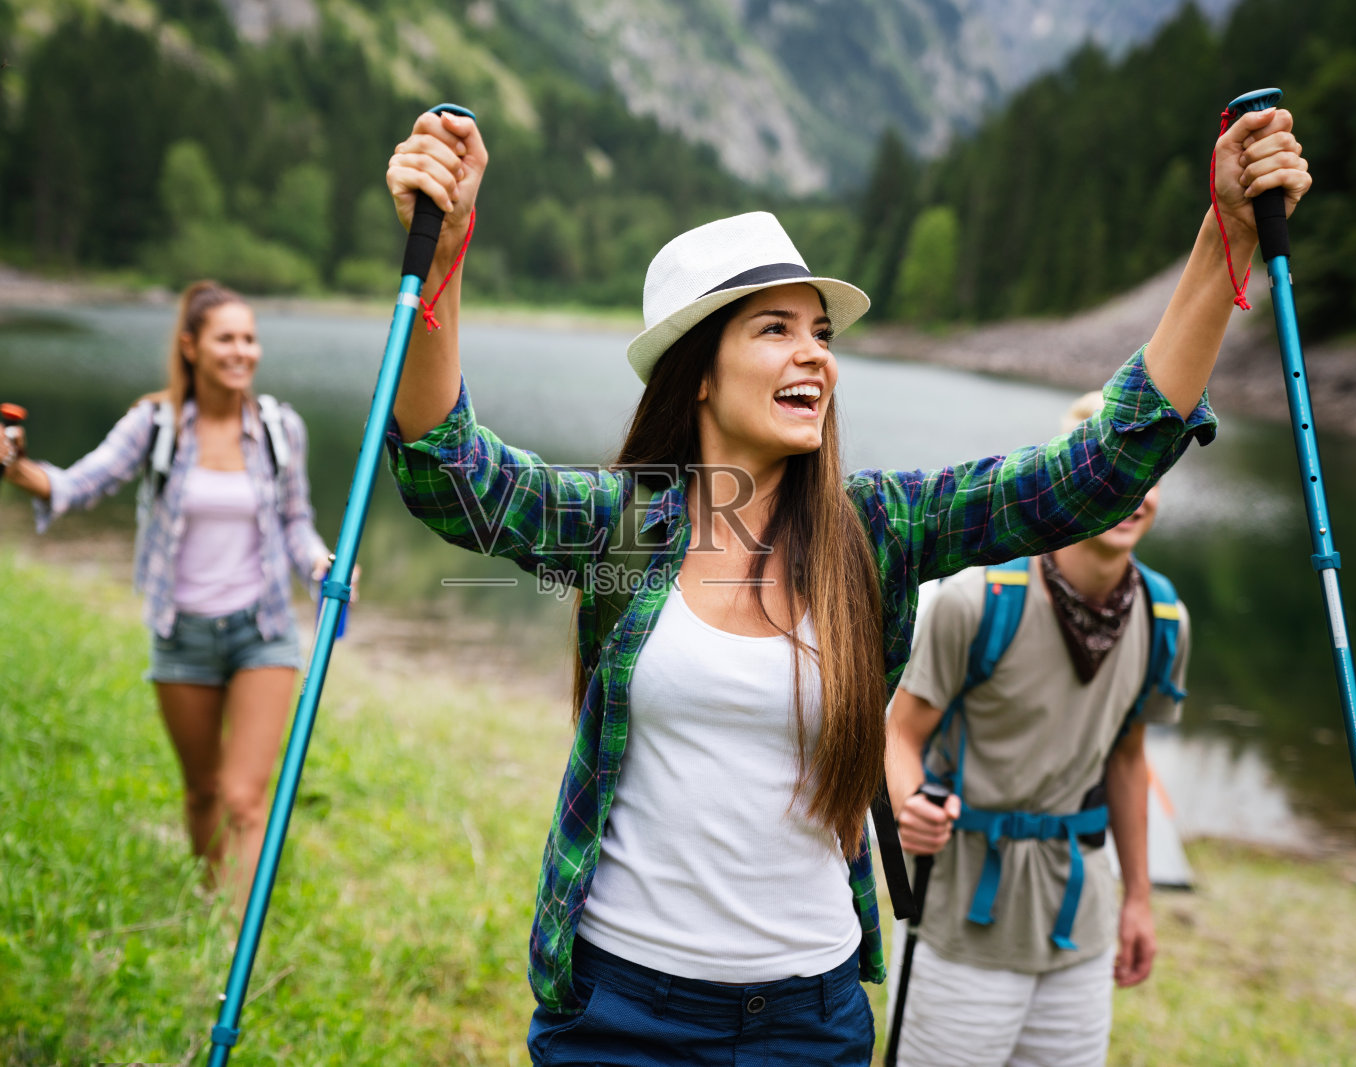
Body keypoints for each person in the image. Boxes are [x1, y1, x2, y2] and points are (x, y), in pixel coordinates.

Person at [381, 104, 1308, 1066]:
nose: (814, 354)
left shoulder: (879, 529)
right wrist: (443, 251)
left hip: (808, 1017)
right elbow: (454, 474)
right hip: (621, 1006)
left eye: (820, 333)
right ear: (698, 374)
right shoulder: (623, 523)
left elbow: (1092, 472)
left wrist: (1221, 238)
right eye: (774, 329)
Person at [0, 281, 331, 915]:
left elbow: (296, 521)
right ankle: (208, 902)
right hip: (182, 634)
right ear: (191, 347)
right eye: (227, 338)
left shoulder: (281, 428)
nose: (242, 351)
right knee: (201, 792)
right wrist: (15, 467)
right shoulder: (156, 425)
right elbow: (79, 485)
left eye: (250, 338)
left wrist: (320, 562)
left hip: (264, 629)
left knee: (247, 798)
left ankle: (232, 943)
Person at [882, 389, 1189, 1067]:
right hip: (959, 921)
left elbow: (1130, 762)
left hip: (1080, 929)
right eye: (1114, 472)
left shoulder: (1164, 617)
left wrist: (1138, 899)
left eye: (1150, 475)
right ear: (1074, 480)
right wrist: (909, 805)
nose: (1134, 492)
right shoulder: (978, 599)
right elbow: (898, 734)